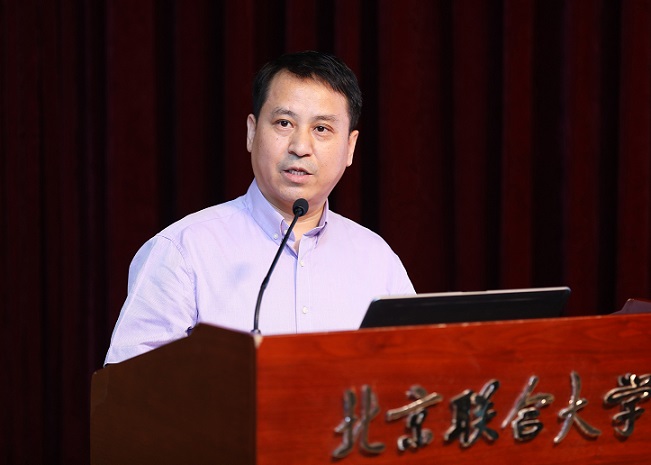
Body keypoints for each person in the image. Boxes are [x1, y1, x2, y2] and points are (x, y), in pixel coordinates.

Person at [105, 51, 414, 364]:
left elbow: (418, 375)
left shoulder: (379, 262)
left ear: (350, 147)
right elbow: (129, 387)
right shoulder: (183, 251)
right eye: (284, 123)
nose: (300, 147)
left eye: (321, 128)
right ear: (252, 132)